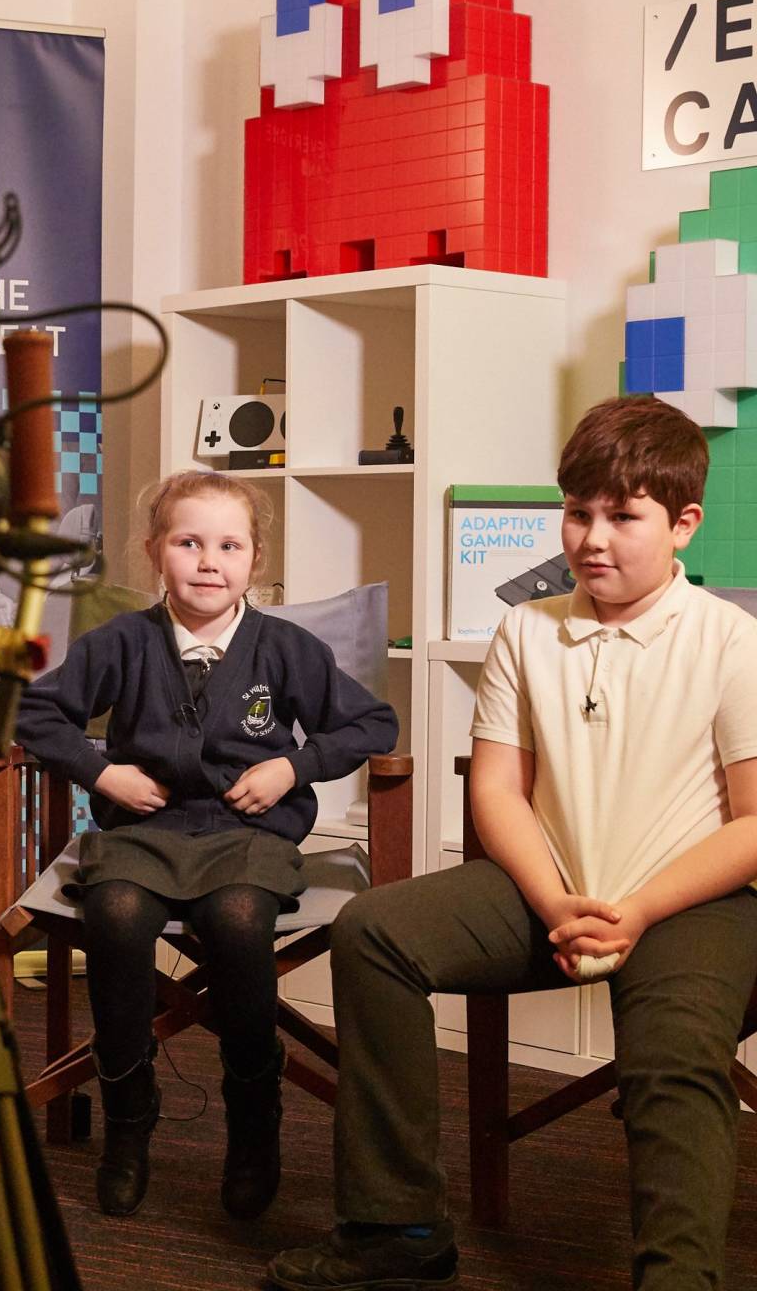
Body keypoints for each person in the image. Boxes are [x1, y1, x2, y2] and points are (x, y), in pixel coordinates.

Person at [267, 395, 757, 1291]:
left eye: (624, 516)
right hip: (552, 887)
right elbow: (497, 787)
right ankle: (397, 1226)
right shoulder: (526, 628)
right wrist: (555, 901)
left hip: (692, 899)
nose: (593, 538)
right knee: (374, 930)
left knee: (675, 1050)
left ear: (683, 524)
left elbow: (756, 825)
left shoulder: (733, 642)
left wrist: (637, 908)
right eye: (579, 513)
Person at [17, 470, 398, 1219]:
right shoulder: (121, 642)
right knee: (118, 914)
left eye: (229, 545)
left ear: (256, 559)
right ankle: (129, 1119)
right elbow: (35, 714)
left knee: (238, 921)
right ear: (155, 551)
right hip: (142, 833)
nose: (207, 561)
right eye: (188, 542)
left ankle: (254, 1123)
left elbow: (370, 725)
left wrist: (293, 765)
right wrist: (104, 772)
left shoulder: (286, 648)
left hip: (247, 837)